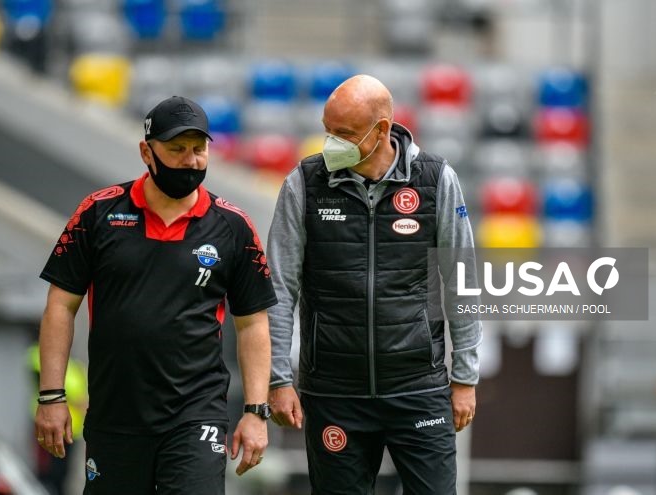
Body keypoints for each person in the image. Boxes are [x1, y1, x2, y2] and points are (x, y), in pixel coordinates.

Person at [34, 95, 278, 495]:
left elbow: (252, 323)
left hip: (196, 413)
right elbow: (60, 305)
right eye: (177, 149)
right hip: (115, 414)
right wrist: (51, 396)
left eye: (199, 150)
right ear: (147, 151)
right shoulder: (97, 213)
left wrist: (255, 412)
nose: (191, 160)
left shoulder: (233, 226)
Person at [266, 75, 482, 494]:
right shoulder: (303, 183)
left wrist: (465, 378)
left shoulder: (436, 179)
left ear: (382, 130)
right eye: (328, 131)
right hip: (333, 392)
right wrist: (277, 379)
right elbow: (279, 287)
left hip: (419, 387)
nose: (331, 143)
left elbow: (463, 282)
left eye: (343, 134)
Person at [27, 343, 87, 495]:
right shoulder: (38, 354)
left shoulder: (74, 364)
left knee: (63, 473)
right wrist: (75, 401)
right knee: (47, 472)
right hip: (49, 425)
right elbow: (41, 382)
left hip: (72, 429)